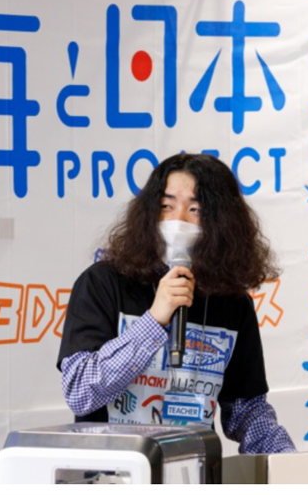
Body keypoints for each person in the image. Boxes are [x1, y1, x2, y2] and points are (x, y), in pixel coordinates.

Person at [57, 153, 295, 453]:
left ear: (221, 222)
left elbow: (247, 411)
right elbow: (80, 391)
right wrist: (154, 321)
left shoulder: (233, 302)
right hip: (111, 469)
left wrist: (288, 461)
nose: (178, 220)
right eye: (166, 206)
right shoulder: (103, 282)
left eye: (195, 209)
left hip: (192, 469)